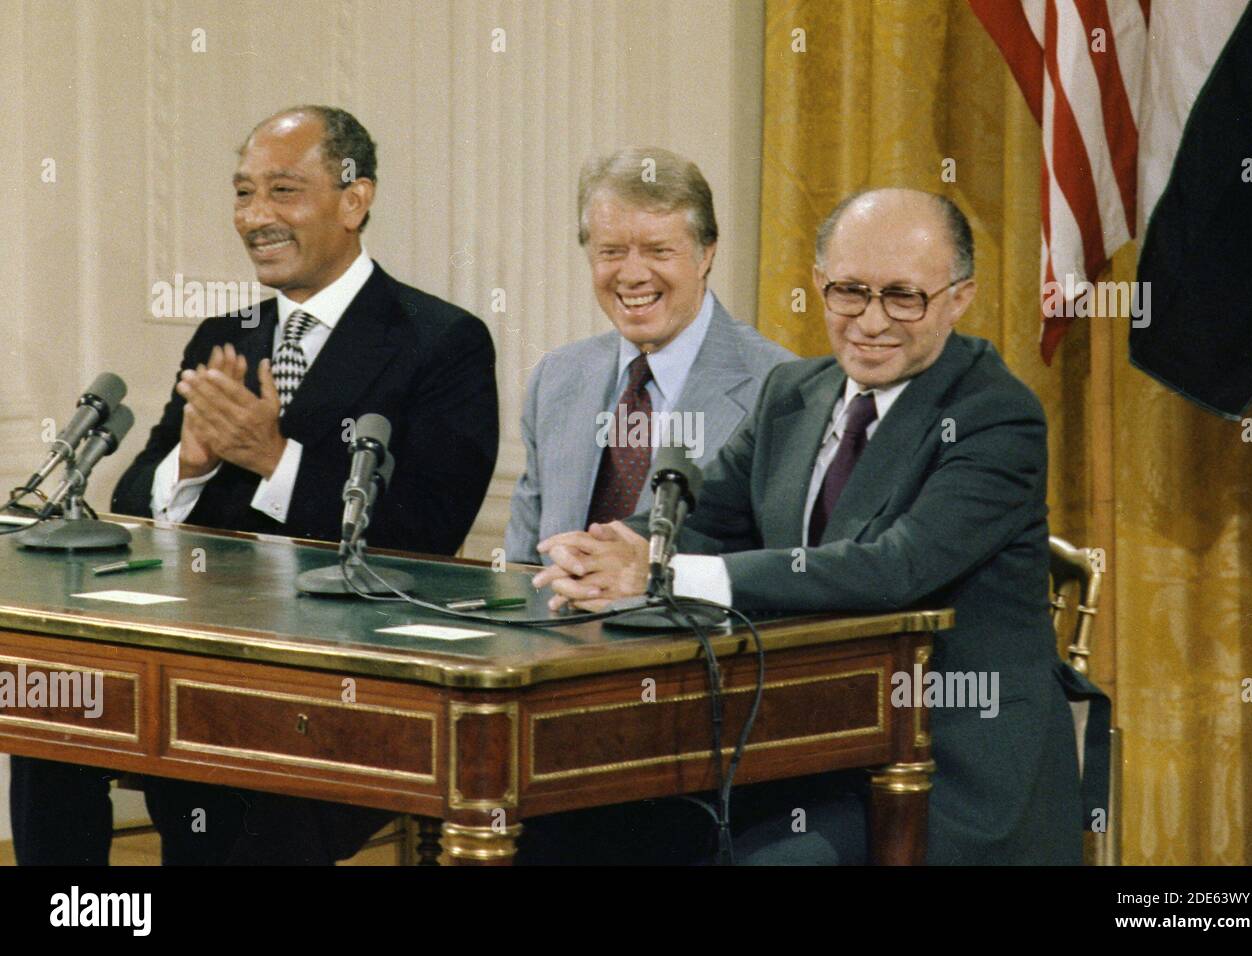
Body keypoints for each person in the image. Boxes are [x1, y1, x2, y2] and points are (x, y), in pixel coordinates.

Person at [532, 187, 1109, 864]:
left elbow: (895, 567)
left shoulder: (994, 414)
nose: (870, 320)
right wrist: (610, 551)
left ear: (959, 298)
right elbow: (706, 520)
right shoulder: (793, 394)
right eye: (848, 291)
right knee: (561, 824)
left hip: (941, 764)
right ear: (817, 285)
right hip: (794, 746)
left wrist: (658, 573)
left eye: (903, 296)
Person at [9, 105, 499, 865]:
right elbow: (136, 502)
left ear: (353, 199)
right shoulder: (224, 335)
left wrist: (277, 459)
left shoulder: (441, 342)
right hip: (202, 664)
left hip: (334, 686)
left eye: (282, 191)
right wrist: (193, 463)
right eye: (243, 194)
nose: (256, 217)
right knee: (52, 718)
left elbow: (426, 532)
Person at [504, 146, 792, 564]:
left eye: (659, 251)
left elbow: (777, 567)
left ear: (705, 254)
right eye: (612, 252)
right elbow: (522, 566)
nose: (633, 274)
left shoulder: (778, 385)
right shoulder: (557, 376)